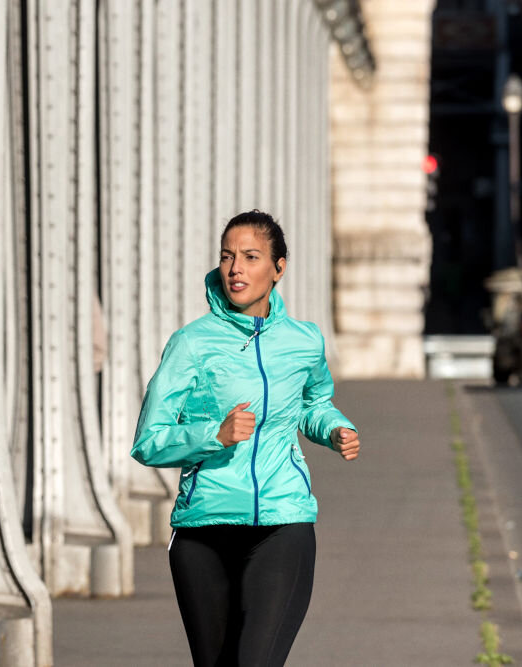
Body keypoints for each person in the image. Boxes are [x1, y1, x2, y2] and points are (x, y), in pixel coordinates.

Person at [131, 210, 360, 666]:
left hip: (282, 520)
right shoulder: (191, 343)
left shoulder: (304, 341)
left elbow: (313, 402)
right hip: (204, 530)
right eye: (227, 256)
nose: (235, 269)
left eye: (250, 257)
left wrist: (334, 428)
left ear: (278, 268)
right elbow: (149, 440)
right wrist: (213, 435)